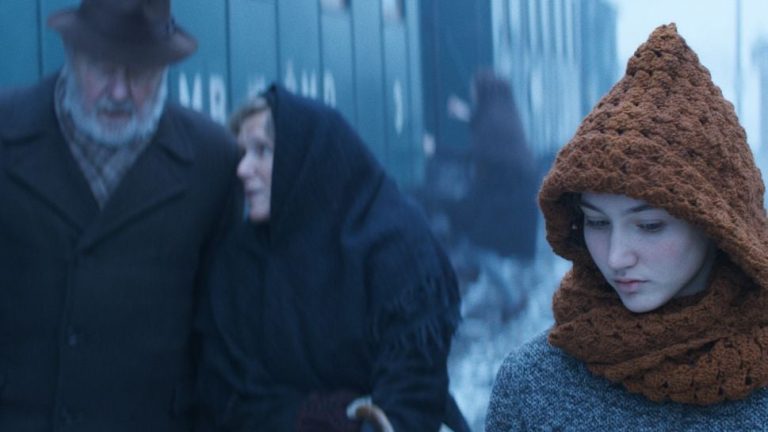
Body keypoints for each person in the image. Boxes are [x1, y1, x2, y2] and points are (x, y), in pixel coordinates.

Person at [486, 24, 768, 431]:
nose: (616, 257)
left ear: (718, 225)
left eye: (649, 225)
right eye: (597, 221)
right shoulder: (531, 389)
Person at [0, 0, 239, 430]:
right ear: (72, 56)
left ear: (165, 71)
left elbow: (221, 334)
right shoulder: (6, 132)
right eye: (103, 68)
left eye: (140, 74)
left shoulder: (213, 161)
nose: (119, 92)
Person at [195, 86, 467, 431]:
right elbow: (228, 391)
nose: (242, 169)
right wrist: (313, 415)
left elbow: (413, 392)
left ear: (305, 157)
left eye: (262, 150)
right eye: (242, 154)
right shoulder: (241, 258)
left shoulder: (396, 248)